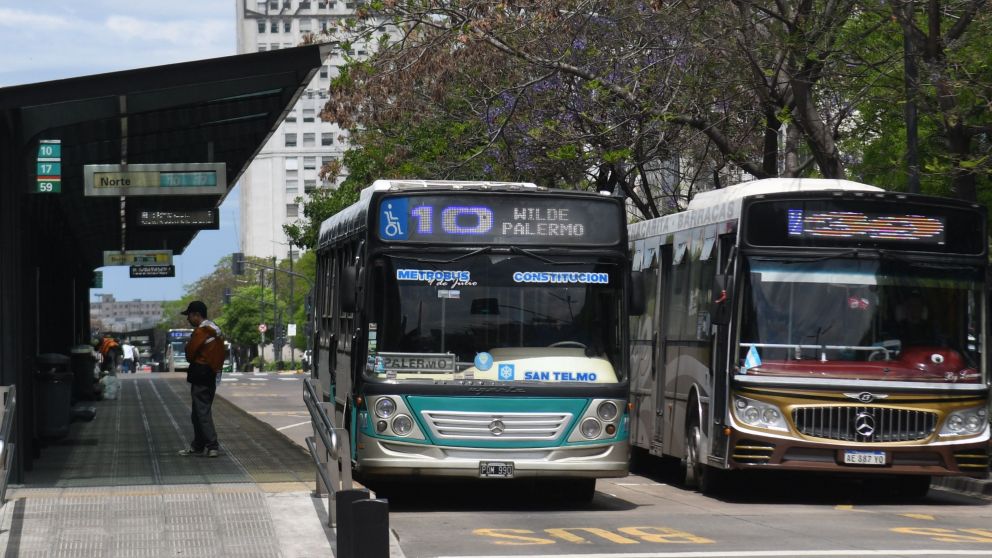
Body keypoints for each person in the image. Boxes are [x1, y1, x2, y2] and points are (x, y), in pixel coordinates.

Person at [177, 301, 227, 458]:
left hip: (201, 374)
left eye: (189, 315)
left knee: (201, 411)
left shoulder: (202, 332)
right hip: (212, 373)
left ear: (197, 315)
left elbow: (190, 353)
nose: (188, 319)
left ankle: (212, 445)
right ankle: (198, 445)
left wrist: (188, 347)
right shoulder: (215, 329)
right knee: (198, 412)